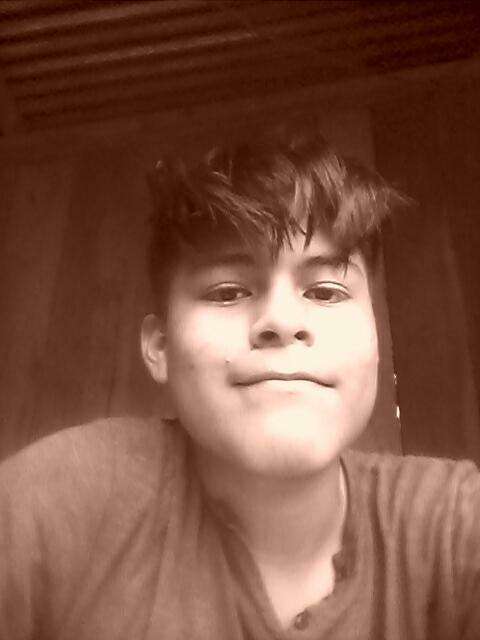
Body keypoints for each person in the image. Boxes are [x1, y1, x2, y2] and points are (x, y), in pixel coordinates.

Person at [1, 127, 479, 640]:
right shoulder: (50, 504)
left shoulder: (454, 525)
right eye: (227, 292)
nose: (282, 320)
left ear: (375, 339)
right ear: (160, 347)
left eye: (325, 292)